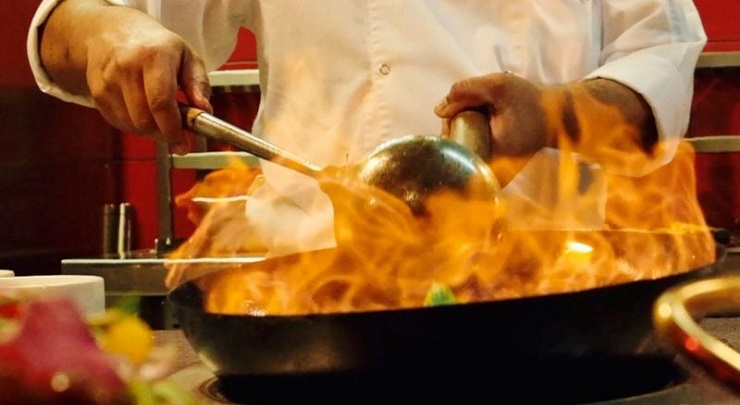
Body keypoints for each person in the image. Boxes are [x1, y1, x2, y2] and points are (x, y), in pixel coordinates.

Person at [27, 0, 708, 260]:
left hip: (544, 305)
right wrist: (111, 32)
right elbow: (67, 27)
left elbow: (661, 56)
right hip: (309, 309)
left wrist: (556, 114)